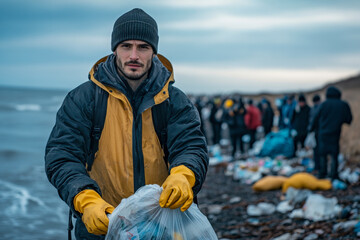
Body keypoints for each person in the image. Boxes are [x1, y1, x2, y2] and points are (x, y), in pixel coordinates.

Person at [45, 8, 208, 239]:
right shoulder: (82, 99)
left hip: (161, 222)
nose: (134, 55)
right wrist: (85, 199)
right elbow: (61, 155)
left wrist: (183, 175)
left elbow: (191, 146)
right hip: (102, 223)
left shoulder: (175, 100)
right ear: (114, 49)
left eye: (143, 47)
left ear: (154, 52)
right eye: (126, 46)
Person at [310, 86, 352, 180]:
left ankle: (322, 174)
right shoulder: (343, 104)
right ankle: (334, 175)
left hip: (323, 134)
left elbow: (316, 118)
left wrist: (311, 129)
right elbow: (349, 119)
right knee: (334, 154)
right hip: (335, 134)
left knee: (322, 154)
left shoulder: (323, 104)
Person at [308, 94, 321, 172]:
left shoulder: (313, 109)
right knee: (319, 151)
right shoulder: (320, 108)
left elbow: (312, 121)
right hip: (320, 132)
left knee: (316, 150)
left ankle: (317, 167)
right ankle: (319, 167)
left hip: (316, 132)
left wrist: (310, 130)